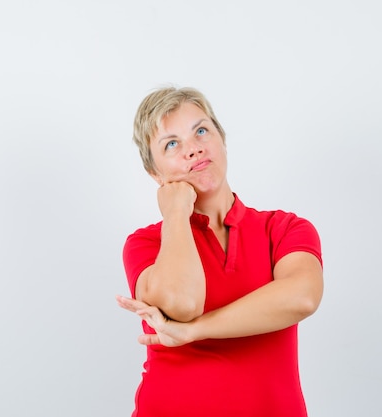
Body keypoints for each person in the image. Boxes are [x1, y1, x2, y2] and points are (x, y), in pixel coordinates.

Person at [116, 86, 324, 417]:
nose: (194, 149)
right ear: (154, 173)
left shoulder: (284, 229)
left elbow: (301, 298)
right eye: (172, 144)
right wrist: (175, 212)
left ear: (222, 140)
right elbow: (182, 303)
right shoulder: (146, 244)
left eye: (201, 131)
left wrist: (194, 331)